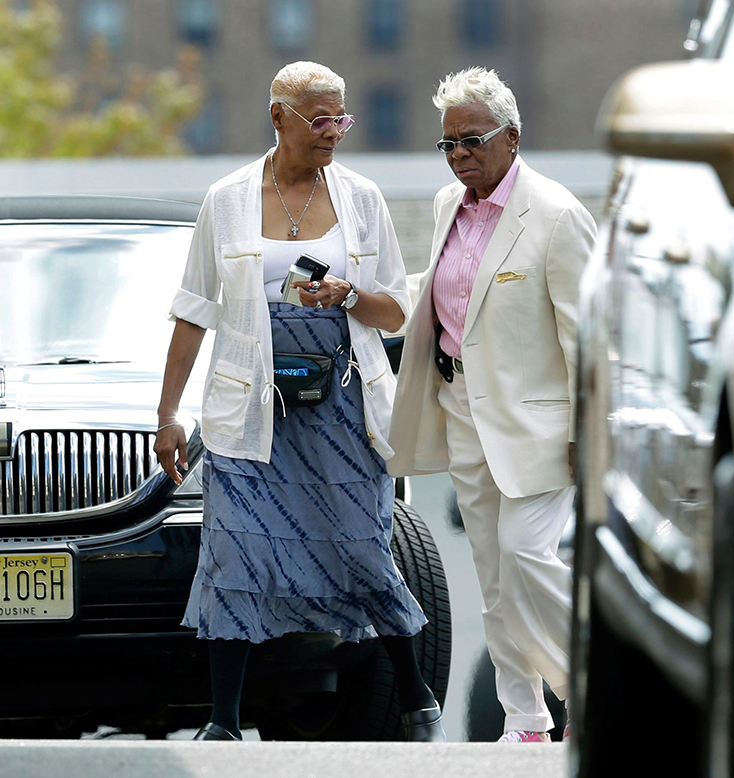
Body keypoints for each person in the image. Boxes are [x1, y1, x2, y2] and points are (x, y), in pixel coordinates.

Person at [154, 61, 445, 743]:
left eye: (341, 118)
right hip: (252, 407)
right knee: (235, 548)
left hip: (341, 403)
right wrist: (167, 414)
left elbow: (397, 310)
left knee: (362, 542)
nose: (334, 132)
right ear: (278, 115)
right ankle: (223, 721)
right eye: (320, 119)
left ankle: (414, 691)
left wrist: (345, 294)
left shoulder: (362, 198)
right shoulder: (225, 200)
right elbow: (193, 312)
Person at [387, 67, 597, 743]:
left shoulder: (558, 215)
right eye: (447, 144)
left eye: (471, 140)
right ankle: (526, 720)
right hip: (462, 412)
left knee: (527, 554)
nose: (459, 155)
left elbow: (589, 335)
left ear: (512, 137)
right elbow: (444, 293)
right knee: (495, 576)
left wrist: (588, 432)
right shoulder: (450, 205)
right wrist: (362, 296)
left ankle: (594, 694)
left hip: (541, 427)